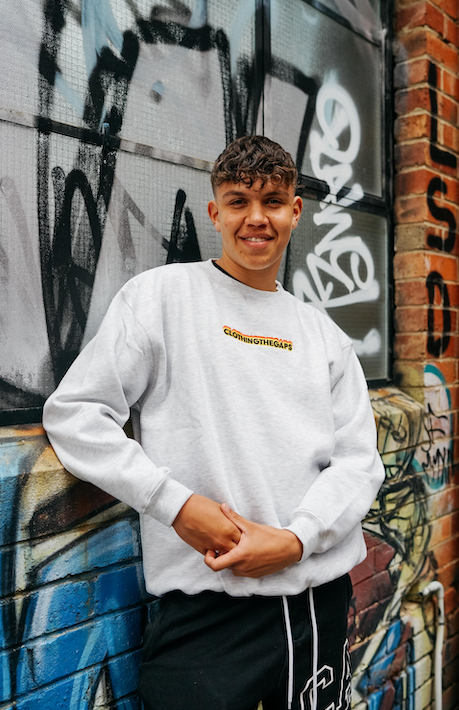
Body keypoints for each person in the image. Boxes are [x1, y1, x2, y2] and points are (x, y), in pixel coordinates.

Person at [43, 135, 385, 710]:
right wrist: (175, 505)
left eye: (273, 201)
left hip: (317, 605)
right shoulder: (160, 298)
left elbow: (359, 461)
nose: (257, 218)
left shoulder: (322, 334)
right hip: (209, 619)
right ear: (215, 211)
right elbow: (76, 415)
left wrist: (297, 539)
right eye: (237, 201)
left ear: (295, 210)